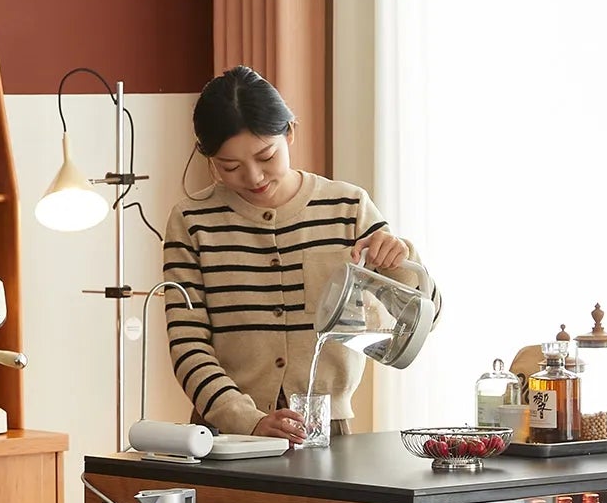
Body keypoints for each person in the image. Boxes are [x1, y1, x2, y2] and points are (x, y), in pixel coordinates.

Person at [164, 66, 440, 441]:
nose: (254, 177)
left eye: (266, 156)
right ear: (208, 158)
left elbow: (426, 320)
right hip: (224, 436)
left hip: (328, 431)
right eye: (230, 167)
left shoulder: (348, 206)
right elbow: (188, 343)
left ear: (290, 132)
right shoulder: (192, 220)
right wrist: (247, 419)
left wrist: (402, 260)